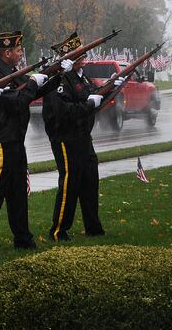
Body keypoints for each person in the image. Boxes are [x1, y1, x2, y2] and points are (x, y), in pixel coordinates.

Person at [0, 31, 54, 256]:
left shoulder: (11, 72)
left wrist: (55, 75)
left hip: (15, 140)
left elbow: (32, 91)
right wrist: (33, 82)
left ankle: (23, 239)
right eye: (18, 50)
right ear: (7, 53)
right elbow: (19, 101)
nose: (21, 54)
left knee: (18, 194)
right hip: (1, 141)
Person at [43, 32, 124, 241]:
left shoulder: (82, 76)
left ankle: (93, 227)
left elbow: (95, 95)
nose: (84, 56)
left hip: (83, 137)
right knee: (69, 183)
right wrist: (89, 103)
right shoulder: (59, 80)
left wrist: (114, 85)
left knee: (90, 181)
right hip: (65, 138)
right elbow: (65, 112)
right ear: (69, 58)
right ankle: (58, 230)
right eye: (80, 53)